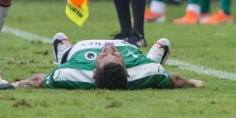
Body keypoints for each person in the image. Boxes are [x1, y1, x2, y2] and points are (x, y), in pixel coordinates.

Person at [12, 34, 203, 89]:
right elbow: (175, 78)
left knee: (60, 39)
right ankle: (153, 59)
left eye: (103, 56)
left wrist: (18, 83)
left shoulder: (72, 75)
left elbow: (39, 80)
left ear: (94, 72)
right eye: (116, 56)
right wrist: (193, 83)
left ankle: (61, 54)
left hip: (79, 49)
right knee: (163, 45)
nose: (108, 49)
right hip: (133, 53)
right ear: (126, 70)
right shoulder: (143, 73)